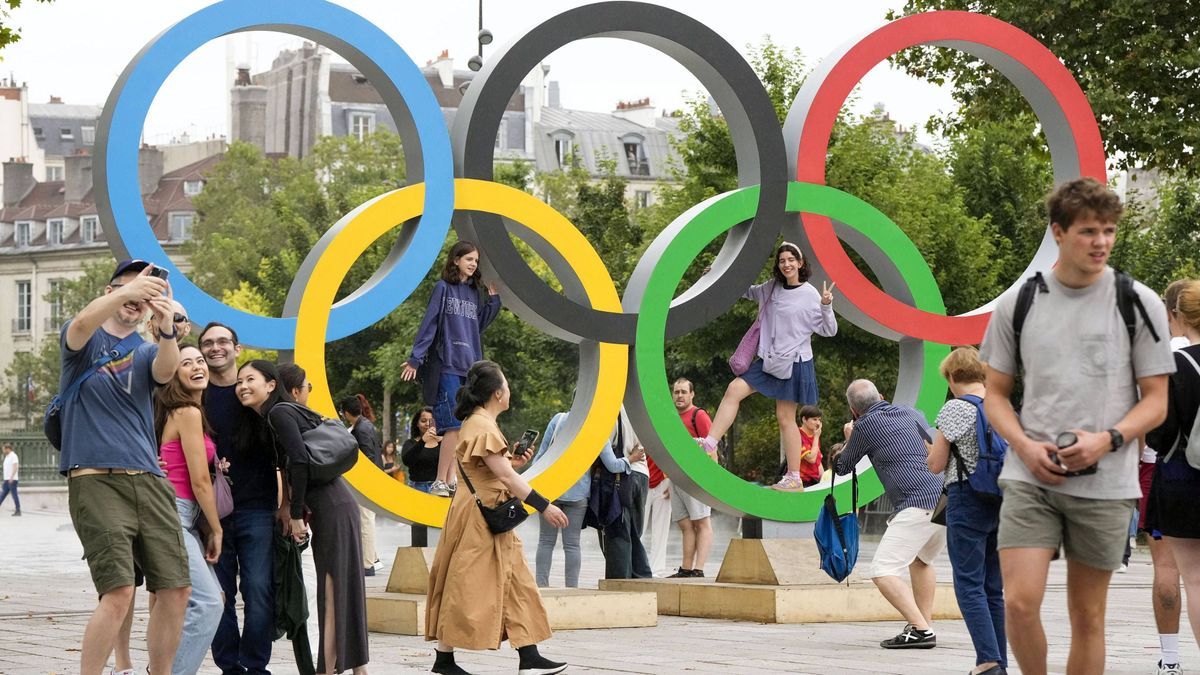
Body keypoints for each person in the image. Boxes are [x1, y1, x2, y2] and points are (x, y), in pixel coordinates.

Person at [980, 177, 1174, 675]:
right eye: (1089, 230)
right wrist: (1022, 445)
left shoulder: (1140, 303)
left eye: (1109, 230)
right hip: (1030, 477)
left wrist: (1109, 439)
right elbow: (995, 395)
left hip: (1107, 482)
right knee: (1020, 603)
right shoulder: (1017, 303)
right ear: (1059, 232)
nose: (1101, 242)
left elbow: (1156, 402)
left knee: (1087, 615)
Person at [59, 259, 189, 675]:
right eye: (127, 289)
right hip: (95, 478)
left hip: (148, 480)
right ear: (109, 290)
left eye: (146, 293)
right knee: (118, 591)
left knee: (177, 587)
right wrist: (129, 291)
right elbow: (82, 320)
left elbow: (166, 370)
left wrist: (167, 326)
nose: (136, 298)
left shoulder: (147, 349)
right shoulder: (82, 341)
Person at [424, 360, 568, 675]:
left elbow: (495, 470)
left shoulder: (478, 423)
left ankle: (528, 656)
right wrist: (546, 506)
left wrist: (513, 460)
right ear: (497, 392)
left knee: (517, 583)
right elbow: (505, 478)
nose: (509, 389)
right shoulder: (481, 425)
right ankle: (443, 660)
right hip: (480, 519)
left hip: (487, 516)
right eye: (506, 383)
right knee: (464, 584)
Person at [237, 360, 369, 674]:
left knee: (332, 589)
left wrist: (295, 514)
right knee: (340, 586)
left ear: (271, 385)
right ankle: (357, 670)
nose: (242, 385)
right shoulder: (274, 416)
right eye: (238, 381)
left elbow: (298, 460)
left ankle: (328, 669)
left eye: (249, 379)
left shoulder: (280, 413)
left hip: (330, 505)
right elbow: (287, 464)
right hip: (332, 503)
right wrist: (287, 506)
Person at [696, 242, 837, 491]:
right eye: (782, 260)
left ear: (801, 263)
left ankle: (795, 477)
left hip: (794, 362)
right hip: (769, 360)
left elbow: (828, 330)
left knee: (785, 418)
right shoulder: (771, 288)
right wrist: (716, 277)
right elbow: (746, 291)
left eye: (791, 260)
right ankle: (710, 443)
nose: (786, 264)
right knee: (734, 390)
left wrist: (826, 306)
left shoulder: (810, 294)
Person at [831, 379, 945, 649]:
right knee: (921, 561)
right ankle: (922, 623)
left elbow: (842, 467)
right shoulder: (912, 411)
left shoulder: (864, 426)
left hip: (915, 501)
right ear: (881, 396)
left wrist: (849, 439)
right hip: (944, 498)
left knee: (882, 570)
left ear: (853, 410)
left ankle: (921, 629)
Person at [200, 322, 278, 674]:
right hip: (210, 514)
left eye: (222, 342)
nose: (215, 348)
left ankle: (255, 666)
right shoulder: (195, 394)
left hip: (257, 508)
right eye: (207, 343)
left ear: (237, 347)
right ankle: (230, 667)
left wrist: (289, 507)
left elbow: (285, 452)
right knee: (219, 597)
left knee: (259, 591)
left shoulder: (254, 392)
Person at [926, 347, 1006, 675]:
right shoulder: (1000, 405)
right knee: (993, 587)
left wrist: (929, 447)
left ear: (952, 376)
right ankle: (998, 660)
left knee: (968, 583)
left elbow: (936, 465)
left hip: (967, 498)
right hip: (1002, 499)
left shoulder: (955, 408)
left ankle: (987, 662)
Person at [402, 241, 503, 497]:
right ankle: (440, 480)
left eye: (476, 261)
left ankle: (449, 480)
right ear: (455, 260)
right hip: (446, 364)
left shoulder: (473, 292)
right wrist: (416, 358)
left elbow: (476, 326)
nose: (473, 264)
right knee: (452, 425)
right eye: (468, 258)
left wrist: (492, 303)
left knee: (463, 425)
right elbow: (430, 323)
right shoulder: (442, 288)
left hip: (469, 368)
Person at [154, 344, 226, 674]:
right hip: (175, 516)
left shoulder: (186, 412)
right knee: (209, 603)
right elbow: (199, 481)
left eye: (200, 361)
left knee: (194, 602)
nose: (197, 366)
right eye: (186, 363)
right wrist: (217, 529)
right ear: (174, 373)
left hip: (180, 518)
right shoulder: (187, 412)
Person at [1146, 280, 1200, 671]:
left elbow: (1159, 430)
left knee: (1192, 577)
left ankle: (1172, 660)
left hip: (1182, 475)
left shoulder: (1172, 363)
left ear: (1175, 316)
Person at [531, 411, 590, 588]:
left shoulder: (559, 420)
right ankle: (572, 590)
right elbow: (607, 460)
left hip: (552, 490)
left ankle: (541, 587)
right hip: (578, 492)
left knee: (546, 541)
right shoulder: (592, 424)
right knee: (572, 544)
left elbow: (541, 455)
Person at [668, 378, 715, 578]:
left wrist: (710, 478)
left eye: (683, 392)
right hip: (676, 478)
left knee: (702, 522)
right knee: (685, 524)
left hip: (697, 477)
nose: (679, 395)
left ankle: (699, 568)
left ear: (692, 394)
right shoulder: (670, 418)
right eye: (676, 392)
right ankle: (686, 568)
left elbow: (713, 447)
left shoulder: (699, 416)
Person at [599, 407, 652, 580]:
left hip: (622, 474)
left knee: (618, 533)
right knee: (634, 533)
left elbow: (606, 448)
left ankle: (619, 584)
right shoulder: (637, 407)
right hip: (642, 474)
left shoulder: (609, 407)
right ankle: (642, 578)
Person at [341, 394, 383, 577]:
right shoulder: (366, 425)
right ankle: (370, 559)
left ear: (347, 413)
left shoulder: (361, 429)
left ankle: (367, 564)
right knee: (365, 520)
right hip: (372, 481)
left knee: (366, 521)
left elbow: (368, 456)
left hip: (367, 482)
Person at [402, 407, 441, 493]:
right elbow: (407, 461)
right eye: (423, 421)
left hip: (437, 488)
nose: (427, 424)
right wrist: (422, 441)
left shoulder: (442, 443)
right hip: (416, 487)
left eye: (431, 421)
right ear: (417, 424)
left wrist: (442, 440)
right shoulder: (410, 443)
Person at [797, 406, 824, 487]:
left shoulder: (814, 435)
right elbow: (811, 459)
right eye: (815, 419)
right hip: (802, 482)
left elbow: (817, 461)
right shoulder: (797, 435)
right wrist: (816, 437)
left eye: (819, 420)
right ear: (804, 419)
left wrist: (824, 480)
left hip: (814, 481)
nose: (818, 423)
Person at [1, 443, 19, 516]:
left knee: (14, 495)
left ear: (8, 449)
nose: (3, 451)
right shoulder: (7, 457)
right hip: (7, 479)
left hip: (12, 479)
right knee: (2, 495)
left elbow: (15, 467)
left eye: (3, 449)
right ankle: (18, 510)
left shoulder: (13, 456)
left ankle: (18, 510)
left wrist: (12, 477)